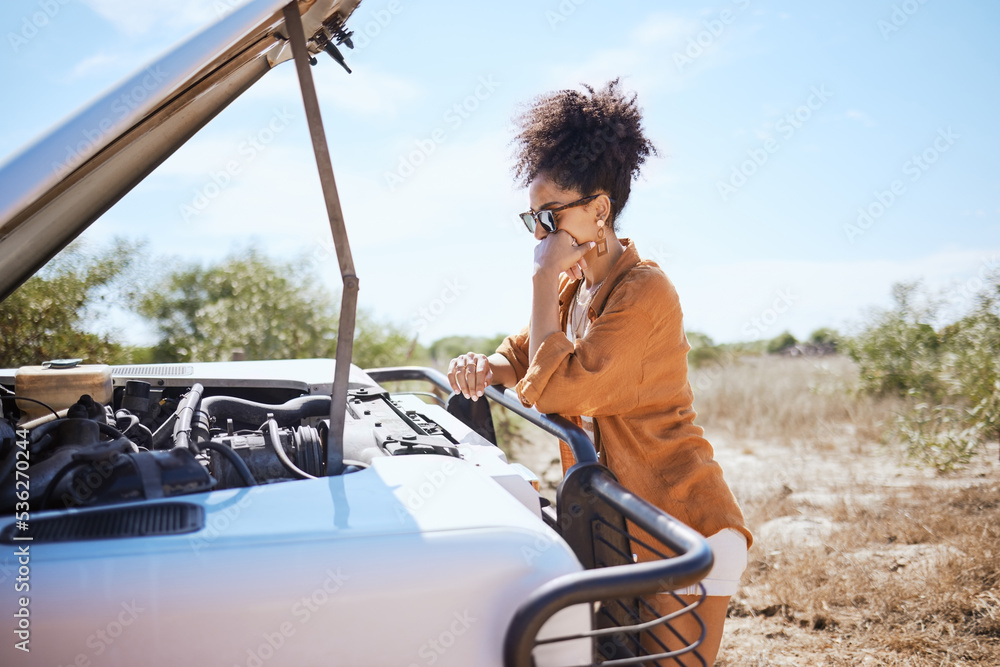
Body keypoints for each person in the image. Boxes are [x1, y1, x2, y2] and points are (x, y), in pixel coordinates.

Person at [447, 80, 751, 665]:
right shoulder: (576, 285)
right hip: (620, 525)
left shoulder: (644, 292)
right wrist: (488, 365)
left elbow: (558, 383)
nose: (539, 236)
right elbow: (526, 354)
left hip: (681, 524)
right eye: (531, 219)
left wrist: (538, 279)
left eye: (549, 217)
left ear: (600, 209)